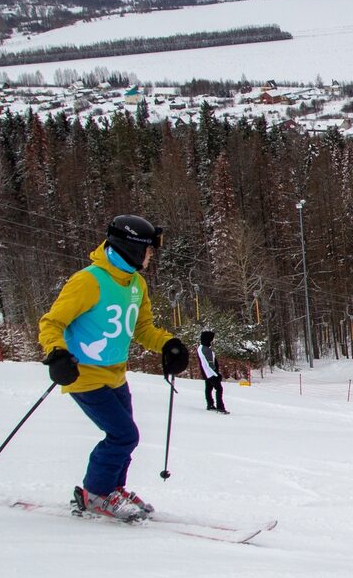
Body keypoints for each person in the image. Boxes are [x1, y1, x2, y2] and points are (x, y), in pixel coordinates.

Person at [38, 215, 189, 520]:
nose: (150, 256)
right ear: (130, 247)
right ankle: (95, 494)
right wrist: (57, 354)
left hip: (116, 374)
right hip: (83, 374)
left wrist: (169, 344)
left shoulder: (136, 284)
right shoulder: (88, 281)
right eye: (147, 250)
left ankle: (112, 490)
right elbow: (51, 322)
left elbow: (142, 328)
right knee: (123, 436)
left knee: (124, 437)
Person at [198, 330, 228, 413]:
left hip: (206, 373)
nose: (212, 340)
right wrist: (216, 374)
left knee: (208, 388)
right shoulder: (206, 349)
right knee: (219, 389)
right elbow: (209, 364)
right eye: (211, 339)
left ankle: (210, 404)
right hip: (210, 373)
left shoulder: (201, 348)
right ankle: (220, 407)